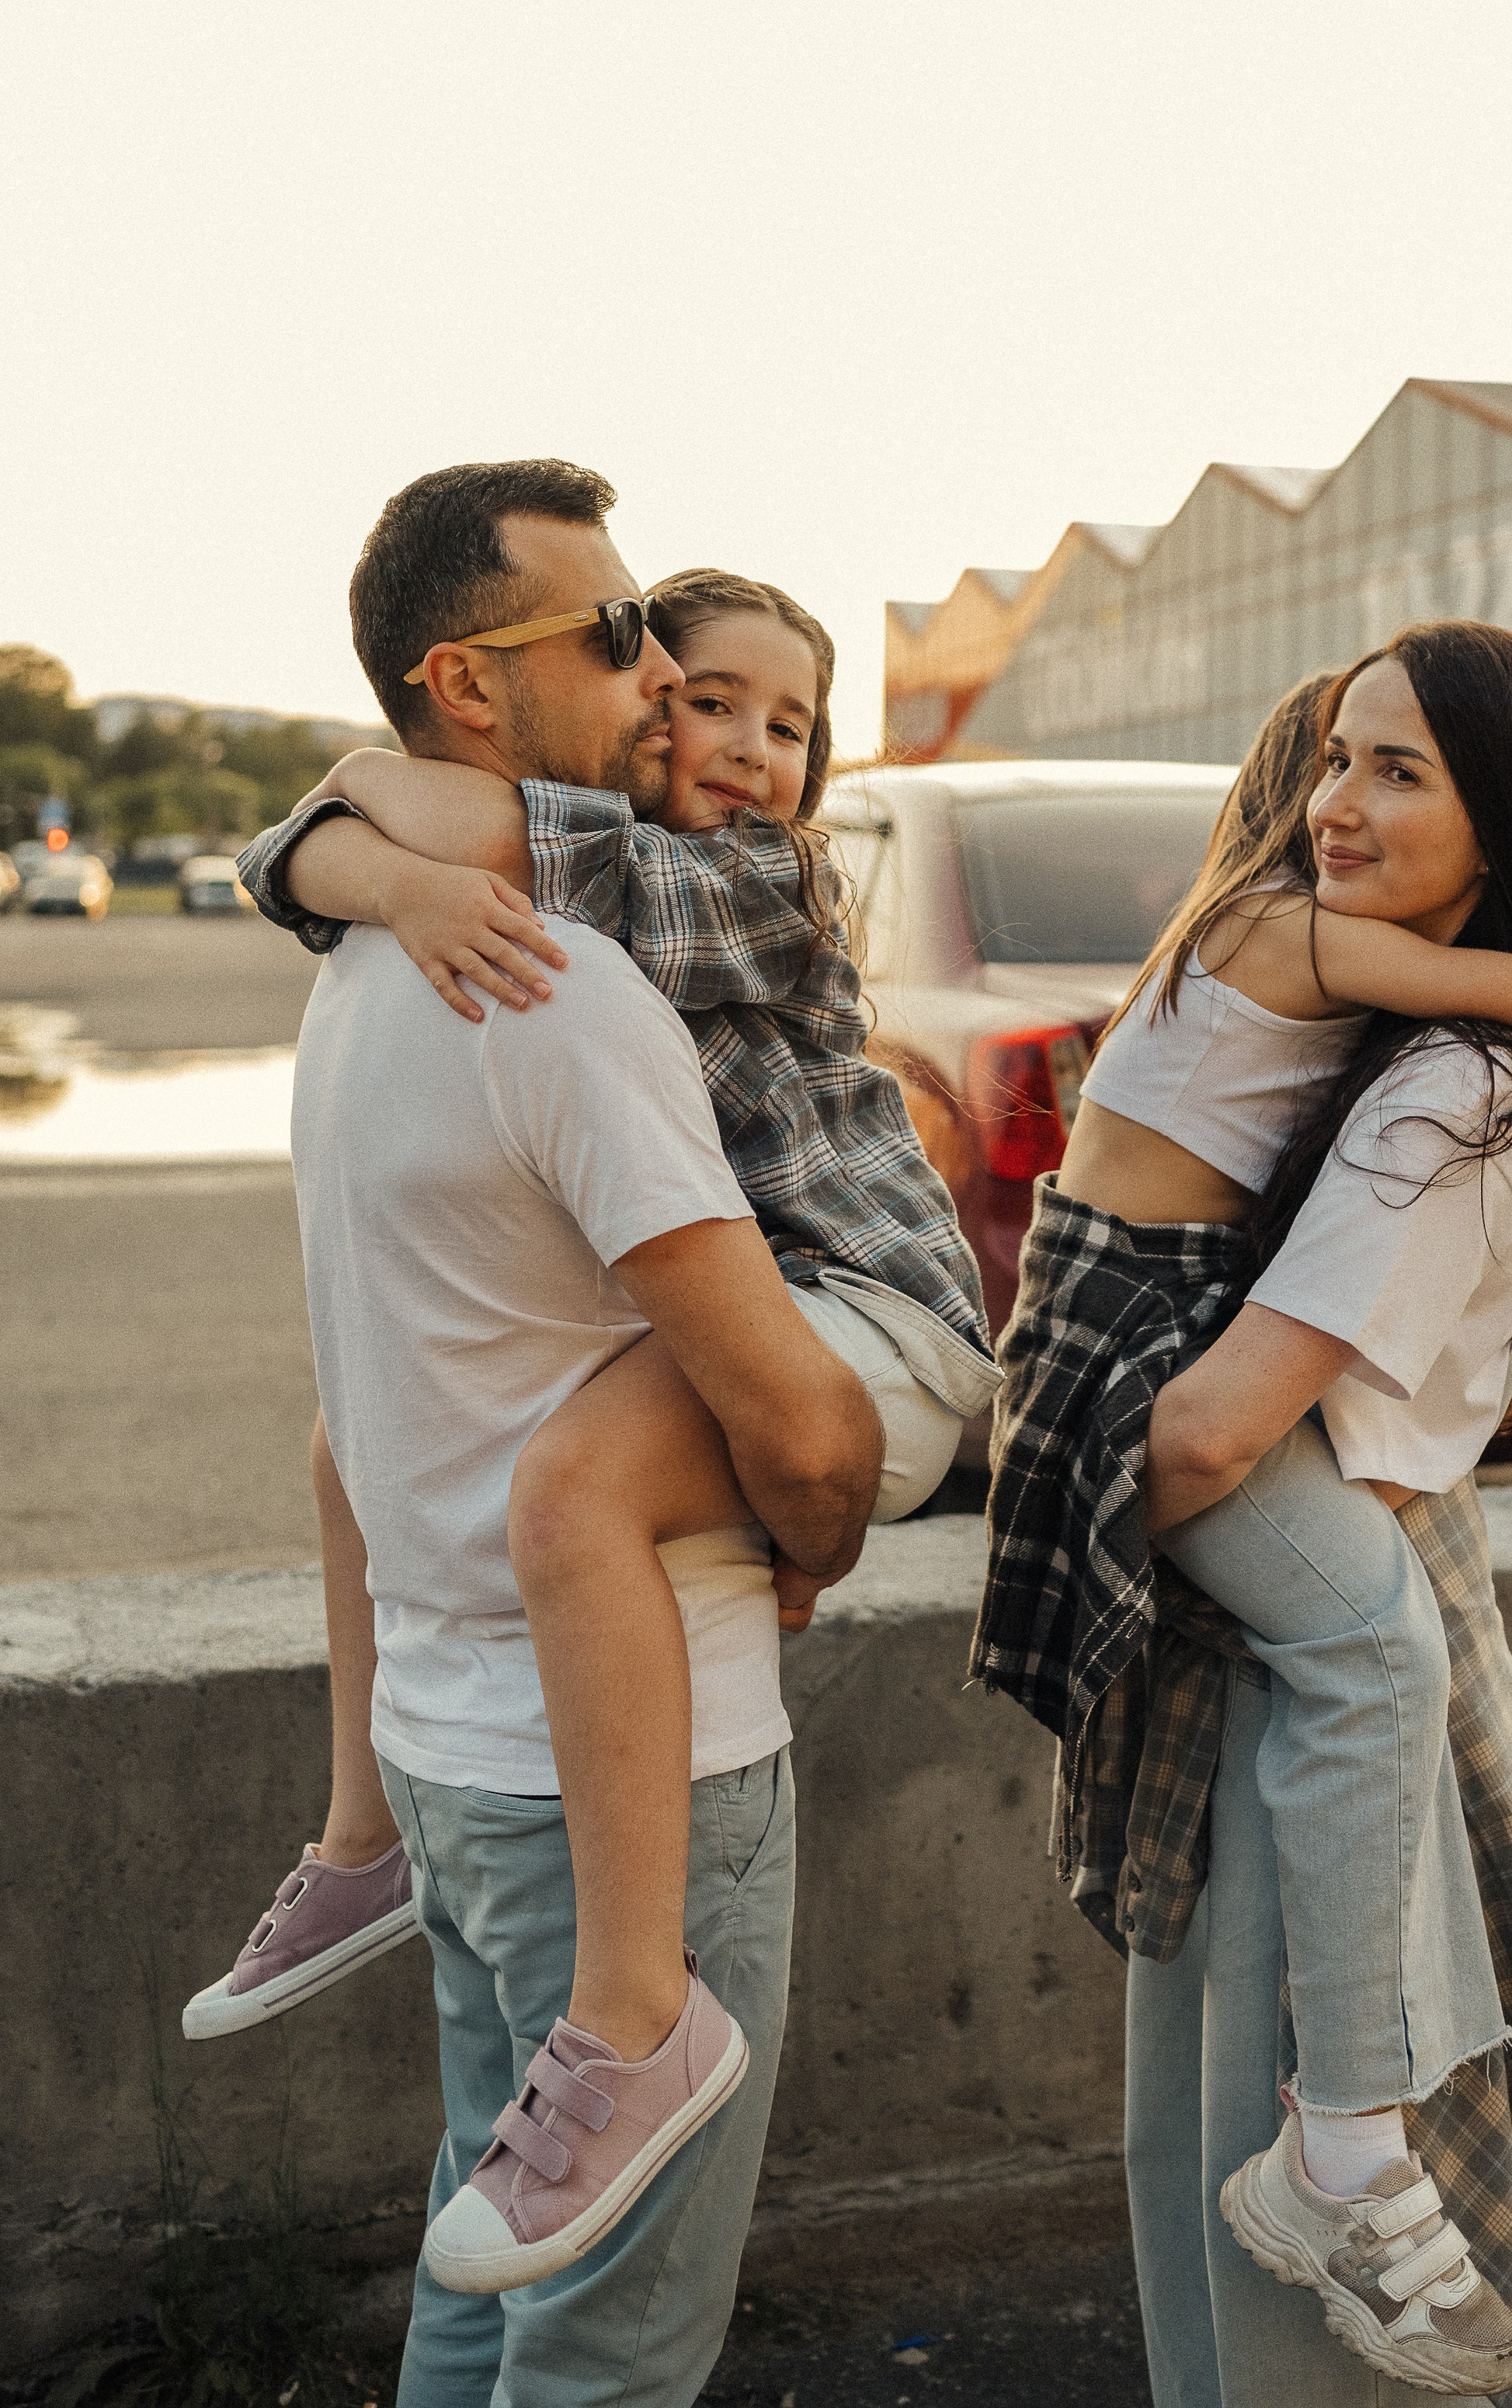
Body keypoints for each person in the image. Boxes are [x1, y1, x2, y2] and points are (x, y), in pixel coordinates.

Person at [190, 552, 996, 2300]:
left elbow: (368, 825)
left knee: (573, 1488)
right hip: (770, 1315)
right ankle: (361, 1836)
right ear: (641, 710)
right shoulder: (564, 893)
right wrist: (389, 871)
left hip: (876, 1314)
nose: (754, 747)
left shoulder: (752, 878)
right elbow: (292, 851)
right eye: (708, 701)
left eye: (794, 724)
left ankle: (640, 2012)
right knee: (348, 1436)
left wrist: (388, 848)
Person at [976, 625, 1512, 2401]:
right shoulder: (1297, 936)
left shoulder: (1374, 1008)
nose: (1335, 803)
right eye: (1333, 760)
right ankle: (1341, 2146)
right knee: (1371, 1644)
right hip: (1142, 1336)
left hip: (1151, 1319)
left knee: (1365, 1651)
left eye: (1393, 769)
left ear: (1497, 810)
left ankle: (1335, 2150)